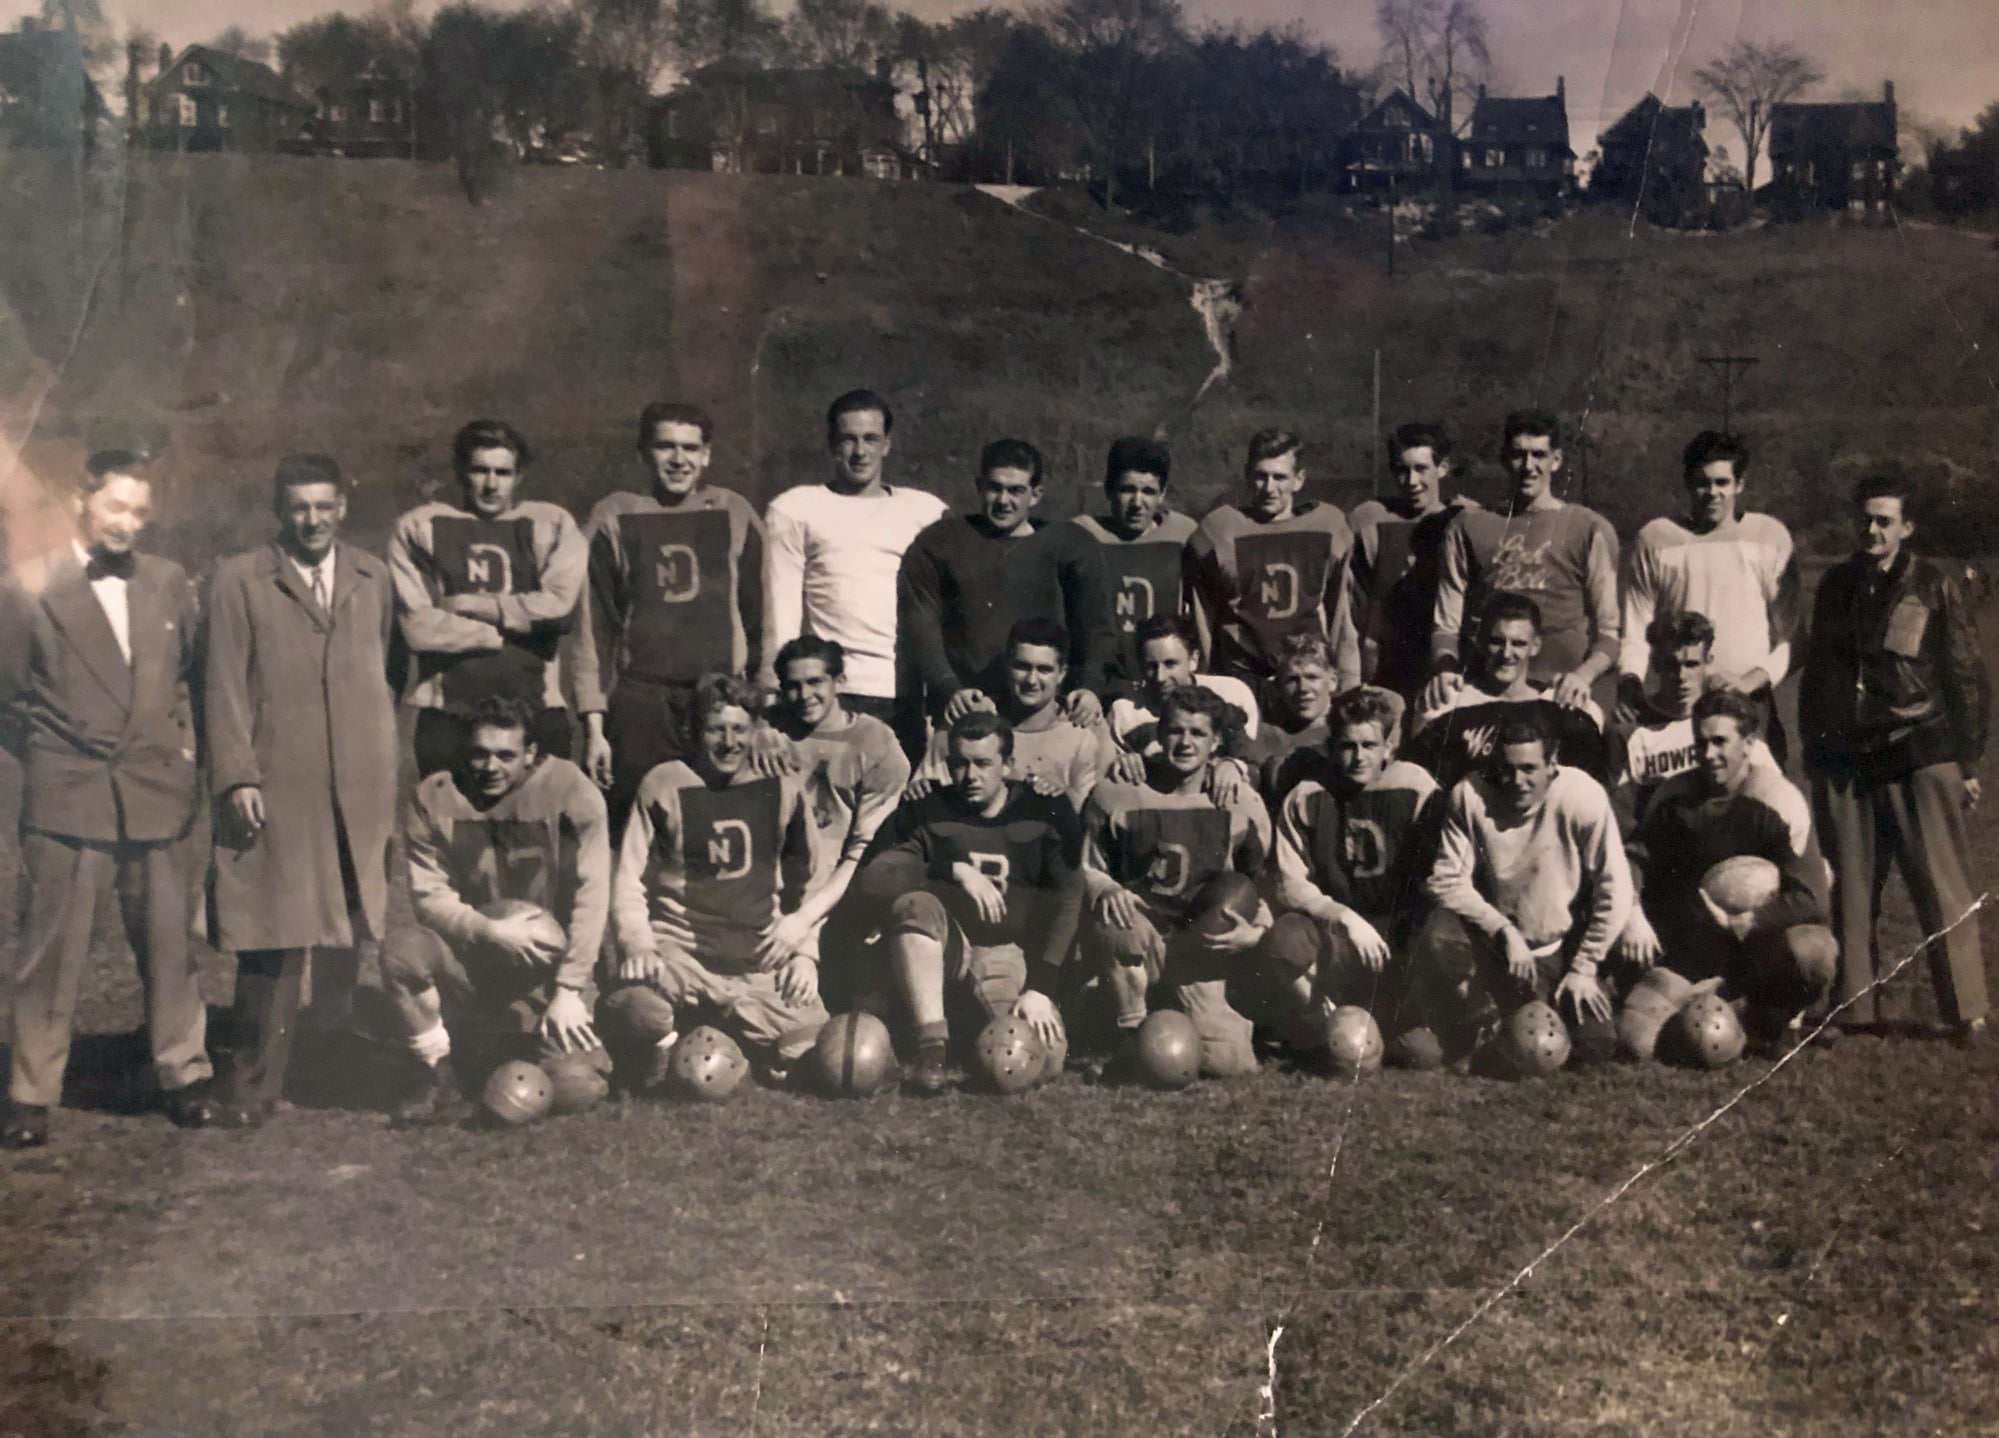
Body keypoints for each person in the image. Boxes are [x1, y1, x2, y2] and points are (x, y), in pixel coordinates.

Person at [0, 451, 216, 1148]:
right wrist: (53, 752)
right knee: (51, 949)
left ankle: (183, 1073)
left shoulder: (169, 582)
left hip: (155, 789)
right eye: (115, 507)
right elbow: (7, 698)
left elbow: (186, 679)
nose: (127, 523)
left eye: (138, 512)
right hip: (69, 789)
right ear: (79, 502)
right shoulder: (27, 588)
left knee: (167, 941)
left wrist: (178, 752)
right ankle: (32, 1090)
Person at [204, 454, 400, 1128]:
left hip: (359, 785)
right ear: (279, 510)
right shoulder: (239, 580)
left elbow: (389, 669)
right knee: (274, 933)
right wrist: (236, 775)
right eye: (299, 508)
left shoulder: (373, 577)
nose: (312, 520)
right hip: (280, 783)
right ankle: (252, 1083)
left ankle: (329, 1064)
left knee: (348, 927)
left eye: (324, 506)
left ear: (343, 505)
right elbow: (221, 685)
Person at [1799, 469, 1990, 1046]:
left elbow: (1966, 675)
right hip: (1846, 757)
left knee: (1941, 884)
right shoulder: (1835, 586)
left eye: (1885, 520)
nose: (1872, 530)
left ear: (1906, 527)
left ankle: (1967, 1012)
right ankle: (1855, 1007)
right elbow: (1819, 674)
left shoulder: (1935, 584)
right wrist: (1816, 747)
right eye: (1865, 518)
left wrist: (1969, 763)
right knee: (1851, 888)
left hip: (1919, 747)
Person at [379, 696, 611, 1122]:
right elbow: (430, 896)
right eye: (480, 754)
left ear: (531, 755)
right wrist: (489, 931)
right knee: (402, 952)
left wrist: (571, 989)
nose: (490, 767)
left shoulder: (570, 790)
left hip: (548, 967)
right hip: (475, 960)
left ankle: (502, 1046)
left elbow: (592, 896)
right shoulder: (435, 796)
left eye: (506, 755)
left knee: (580, 1083)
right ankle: (438, 1074)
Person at [599, 675, 832, 1086]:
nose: (728, 742)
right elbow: (629, 879)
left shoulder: (781, 785)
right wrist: (637, 943)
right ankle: (680, 1035)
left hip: (758, 961)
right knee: (640, 1012)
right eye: (715, 729)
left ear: (754, 730)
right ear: (694, 731)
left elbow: (809, 879)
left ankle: (723, 1032)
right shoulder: (663, 783)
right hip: (682, 957)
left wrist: (804, 954)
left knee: (818, 1054)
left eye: (739, 729)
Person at [852, 711, 1085, 1096]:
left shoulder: (1041, 807)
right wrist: (952, 869)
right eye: (959, 764)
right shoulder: (927, 806)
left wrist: (1041, 986)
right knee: (913, 906)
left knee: (1036, 1060)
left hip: (1005, 953)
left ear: (1008, 765)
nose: (970, 776)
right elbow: (876, 879)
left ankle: (957, 1030)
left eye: (983, 763)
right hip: (945, 948)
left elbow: (1070, 896)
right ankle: (932, 1053)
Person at [573, 402, 766, 831]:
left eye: (690, 448)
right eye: (665, 447)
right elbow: (593, 629)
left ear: (707, 455)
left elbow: (762, 621)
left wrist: (762, 711)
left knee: (711, 829)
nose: (679, 459)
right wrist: (594, 727)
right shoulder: (614, 515)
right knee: (633, 831)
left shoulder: (734, 513)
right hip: (642, 702)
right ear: (644, 452)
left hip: (718, 703)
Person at [1618, 691, 1836, 1052]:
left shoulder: (1779, 800)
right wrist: (1633, 911)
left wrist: (1744, 921)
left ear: (1748, 744)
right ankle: (1724, 1007)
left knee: (1812, 950)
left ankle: (1767, 1012)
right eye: (1700, 742)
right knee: (1635, 1040)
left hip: (1763, 945)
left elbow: (1812, 899)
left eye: (1721, 742)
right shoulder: (1674, 796)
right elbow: (1638, 858)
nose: (1708, 754)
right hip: (1696, 946)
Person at [1080, 686, 1273, 1078]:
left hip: (1200, 950)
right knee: (1117, 915)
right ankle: (1128, 1030)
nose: (1185, 743)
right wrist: (1106, 888)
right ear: (1159, 734)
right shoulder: (1117, 792)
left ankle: (1177, 1021)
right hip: (1142, 937)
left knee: (1229, 1062)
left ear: (1217, 741)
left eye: (1198, 733)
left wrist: (1258, 930)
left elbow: (1261, 883)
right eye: (1175, 731)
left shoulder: (1238, 802)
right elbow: (1085, 865)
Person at [1419, 712, 1633, 1060]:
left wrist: (1584, 967)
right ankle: (1479, 1019)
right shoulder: (1469, 795)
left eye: (1529, 769)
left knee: (1596, 1045)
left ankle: (1517, 1020)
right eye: (1507, 768)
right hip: (1495, 949)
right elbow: (1445, 880)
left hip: (1555, 948)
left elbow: (1616, 887)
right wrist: (1503, 930)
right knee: (1440, 932)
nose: (1517, 780)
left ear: (1552, 764)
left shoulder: (1581, 795)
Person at [388, 418, 586, 777]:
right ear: (461, 471)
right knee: (450, 828)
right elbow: (418, 627)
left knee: (538, 829)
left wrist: (478, 606)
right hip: (449, 715)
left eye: (503, 472)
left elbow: (560, 610)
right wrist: (506, 630)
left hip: (535, 710)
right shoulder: (420, 526)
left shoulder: (552, 524)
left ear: (519, 475)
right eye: (480, 471)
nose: (492, 485)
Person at [764, 390, 950, 756]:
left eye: (870, 439)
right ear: (832, 445)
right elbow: (780, 612)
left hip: (905, 695)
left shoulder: (926, 511)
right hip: (831, 694)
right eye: (848, 439)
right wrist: (773, 694)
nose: (859, 451)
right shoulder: (796, 509)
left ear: (888, 445)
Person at [1263, 687, 1443, 1050]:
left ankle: (1402, 1018)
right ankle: (1324, 1024)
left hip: (1397, 934)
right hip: (1338, 935)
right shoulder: (1307, 796)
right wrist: (1342, 916)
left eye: (1369, 746)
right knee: (1286, 937)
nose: (1358, 757)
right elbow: (1288, 882)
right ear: (1331, 748)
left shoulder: (1417, 787)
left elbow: (1442, 869)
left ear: (1388, 747)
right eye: (1348, 746)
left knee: (1420, 1053)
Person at [897, 437, 1112, 728]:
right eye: (994, 488)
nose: (1003, 500)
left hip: (1046, 712)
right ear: (978, 486)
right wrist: (948, 687)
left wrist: (1089, 686)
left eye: (1015, 491)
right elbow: (920, 624)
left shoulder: (1070, 545)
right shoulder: (941, 542)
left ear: (1035, 495)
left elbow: (1095, 625)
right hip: (968, 707)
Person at [1617, 430, 1802, 767]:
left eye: (1722, 482)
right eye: (1703, 483)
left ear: (1739, 485)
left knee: (1758, 808)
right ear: (1688, 484)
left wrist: (1748, 683)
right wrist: (1630, 680)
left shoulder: (1769, 536)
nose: (1713, 493)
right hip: (1679, 704)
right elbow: (1636, 624)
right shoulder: (1655, 538)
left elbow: (1790, 637)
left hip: (1748, 705)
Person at [1429, 410, 1619, 711]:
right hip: (1486, 691)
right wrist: (1445, 670)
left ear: (1556, 460)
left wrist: (1582, 677)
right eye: (1518, 455)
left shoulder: (1588, 528)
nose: (1529, 467)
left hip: (1560, 694)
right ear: (1505, 459)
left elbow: (1609, 634)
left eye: (1539, 455)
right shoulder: (1470, 525)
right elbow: (1446, 624)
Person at [764, 634, 911, 1005]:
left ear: (839, 682)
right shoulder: (770, 733)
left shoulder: (876, 743)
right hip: (772, 891)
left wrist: (805, 933)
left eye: (816, 682)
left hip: (837, 898)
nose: (805, 695)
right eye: (793, 686)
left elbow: (860, 855)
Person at [1186, 428, 1361, 697]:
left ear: (1299, 480)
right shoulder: (1218, 529)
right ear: (1247, 475)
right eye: (1261, 476)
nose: (1269, 488)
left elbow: (1341, 619)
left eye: (1280, 477)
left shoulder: (1329, 527)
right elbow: (1203, 622)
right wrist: (1206, 683)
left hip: (1305, 677)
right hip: (1242, 676)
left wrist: (1349, 683)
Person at [1409, 592, 1610, 788]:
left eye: (1518, 643)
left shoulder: (1563, 706)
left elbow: (1583, 791)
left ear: (1535, 646)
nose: (1506, 654)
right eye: (1497, 641)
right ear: (1481, 642)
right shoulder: (1450, 703)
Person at [908, 619, 1105, 811]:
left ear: (1061, 674)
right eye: (1022, 666)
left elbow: (1095, 808)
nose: (1031, 680)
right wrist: (921, 789)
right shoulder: (971, 718)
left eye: (1044, 669)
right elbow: (925, 786)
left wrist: (1060, 795)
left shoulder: (1082, 725)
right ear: (1007, 665)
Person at [1348, 423, 1481, 702]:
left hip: (1445, 664)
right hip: (1386, 663)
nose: (1410, 481)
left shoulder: (1464, 520)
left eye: (1420, 469)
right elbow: (1353, 603)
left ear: (1442, 468)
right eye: (1401, 469)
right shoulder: (1370, 520)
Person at [1609, 610, 1775, 833]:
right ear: (1655, 663)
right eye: (1671, 665)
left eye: (1691, 664)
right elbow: (1619, 821)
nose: (1681, 677)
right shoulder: (1632, 730)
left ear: (1708, 662)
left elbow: (1774, 793)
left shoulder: (1731, 718)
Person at [1071, 436, 1198, 698]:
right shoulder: (1083, 535)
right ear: (1108, 490)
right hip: (1101, 684)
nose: (1137, 503)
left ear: (1162, 494)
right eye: (1127, 490)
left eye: (1149, 492)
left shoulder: (1183, 534)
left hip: (1162, 681)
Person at [1103, 614, 1261, 773]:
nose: (1160, 677)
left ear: (1193, 660)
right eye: (1151, 666)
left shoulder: (1232, 693)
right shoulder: (1124, 712)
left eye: (1170, 664)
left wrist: (1233, 765)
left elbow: (1248, 761)